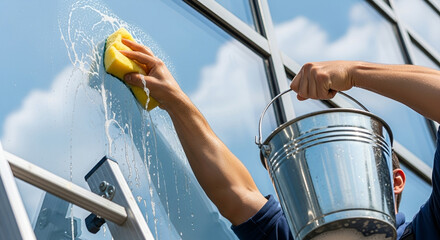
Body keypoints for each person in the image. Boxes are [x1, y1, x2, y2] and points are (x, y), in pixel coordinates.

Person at [119, 39, 440, 239]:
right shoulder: (303, 235)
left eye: (348, 170)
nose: (331, 184)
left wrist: (354, 72)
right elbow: (237, 194)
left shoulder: (429, 229)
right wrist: (175, 100)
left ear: (396, 181)